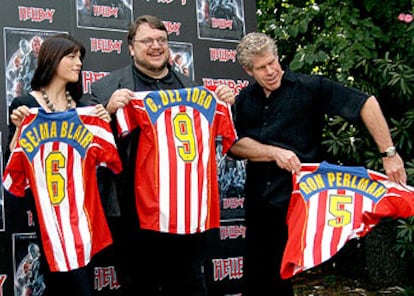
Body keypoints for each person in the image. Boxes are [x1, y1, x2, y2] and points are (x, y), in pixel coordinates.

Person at [228, 32, 407, 295]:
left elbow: (366, 103)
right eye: (261, 67)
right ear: (248, 70)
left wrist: (389, 153)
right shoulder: (245, 99)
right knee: (257, 280)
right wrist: (274, 153)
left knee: (280, 277)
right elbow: (234, 145)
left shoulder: (310, 87)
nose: (270, 71)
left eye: (272, 62)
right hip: (259, 203)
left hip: (298, 201)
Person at [81, 14, 236, 296]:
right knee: (140, 286)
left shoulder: (192, 90)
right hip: (133, 214)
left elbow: (214, 142)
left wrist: (224, 102)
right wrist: (108, 110)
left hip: (184, 212)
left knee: (188, 285)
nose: (156, 46)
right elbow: (86, 145)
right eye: (147, 40)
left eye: (162, 40)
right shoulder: (105, 88)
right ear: (130, 47)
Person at [5, 34, 117, 296]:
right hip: (51, 217)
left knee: (82, 283)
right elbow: (14, 162)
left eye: (80, 58)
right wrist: (20, 128)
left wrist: (104, 120)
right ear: (52, 60)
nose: (79, 63)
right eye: (72, 56)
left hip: (84, 215)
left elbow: (103, 159)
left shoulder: (83, 108)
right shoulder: (26, 105)